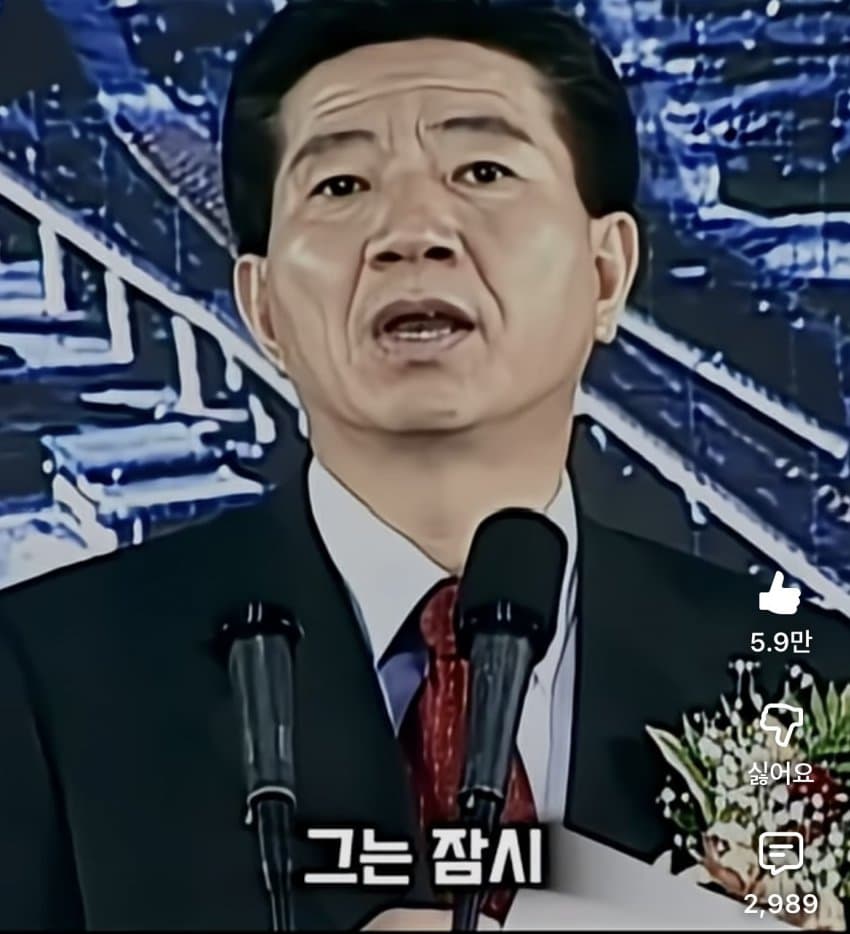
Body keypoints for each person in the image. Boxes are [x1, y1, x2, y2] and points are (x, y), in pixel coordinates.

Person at [0, 1, 847, 930]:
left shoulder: (805, 676)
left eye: (483, 171)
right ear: (263, 307)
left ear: (607, 273)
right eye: (341, 185)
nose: (412, 231)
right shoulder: (44, 673)